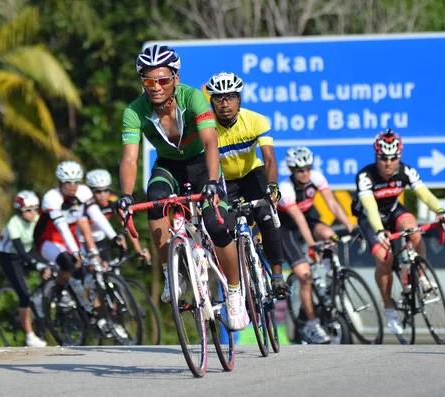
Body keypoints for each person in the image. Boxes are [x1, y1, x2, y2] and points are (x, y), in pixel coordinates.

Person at [118, 45, 249, 331]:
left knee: (216, 225)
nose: (155, 87)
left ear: (175, 78)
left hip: (202, 164)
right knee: (154, 202)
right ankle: (171, 273)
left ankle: (235, 292)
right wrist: (126, 196)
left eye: (162, 80)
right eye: (148, 81)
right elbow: (130, 157)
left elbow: (211, 142)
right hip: (168, 166)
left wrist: (213, 181)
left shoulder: (193, 98)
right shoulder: (134, 111)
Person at [351, 129, 445, 335]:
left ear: (400, 156)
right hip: (371, 218)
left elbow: (424, 194)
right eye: (383, 158)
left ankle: (420, 277)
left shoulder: (406, 171)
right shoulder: (365, 176)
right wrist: (379, 230)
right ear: (376, 156)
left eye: (393, 158)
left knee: (413, 231)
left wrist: (439, 211)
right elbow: (370, 207)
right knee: (384, 258)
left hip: (394, 211)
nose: (388, 163)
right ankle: (389, 308)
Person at [205, 71, 289, 297]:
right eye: (219, 98)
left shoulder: (255, 120)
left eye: (230, 97)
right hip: (224, 181)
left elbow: (270, 159)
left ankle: (277, 276)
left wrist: (272, 186)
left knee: (266, 216)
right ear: (211, 101)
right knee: (223, 229)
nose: (225, 103)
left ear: (239, 100)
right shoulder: (206, 127)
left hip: (253, 174)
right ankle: (236, 281)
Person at [34, 161, 127, 337]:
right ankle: (58, 293)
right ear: (60, 183)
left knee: (89, 271)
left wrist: (113, 235)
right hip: (48, 240)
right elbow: (61, 227)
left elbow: (96, 215)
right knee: (69, 263)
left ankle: (93, 313)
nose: (72, 186)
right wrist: (76, 252)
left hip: (71, 238)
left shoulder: (83, 192)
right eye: (68, 183)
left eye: (76, 182)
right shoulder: (51, 198)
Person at [277, 146, 355, 344]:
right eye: (299, 170)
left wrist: (349, 226)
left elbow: (332, 204)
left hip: (309, 219)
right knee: (304, 275)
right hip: (288, 229)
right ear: (292, 171)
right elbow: (299, 221)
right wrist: (311, 245)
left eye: (307, 168)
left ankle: (327, 279)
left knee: (330, 235)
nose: (304, 173)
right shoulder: (285, 188)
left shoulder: (316, 177)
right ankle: (312, 324)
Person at [0, 191, 51, 347]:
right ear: (20, 211)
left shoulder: (37, 219)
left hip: (28, 251)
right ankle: (29, 336)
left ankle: (44, 298)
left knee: (53, 265)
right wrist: (38, 265)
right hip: (10, 257)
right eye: (29, 210)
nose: (33, 213)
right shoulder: (14, 224)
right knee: (25, 294)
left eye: (36, 209)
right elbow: (20, 251)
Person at [84, 169, 150, 263]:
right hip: (82, 240)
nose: (103, 195)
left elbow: (126, 223)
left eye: (106, 190)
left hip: (100, 238)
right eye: (98, 191)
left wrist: (138, 248)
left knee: (110, 268)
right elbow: (86, 234)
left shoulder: (112, 201)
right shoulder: (86, 204)